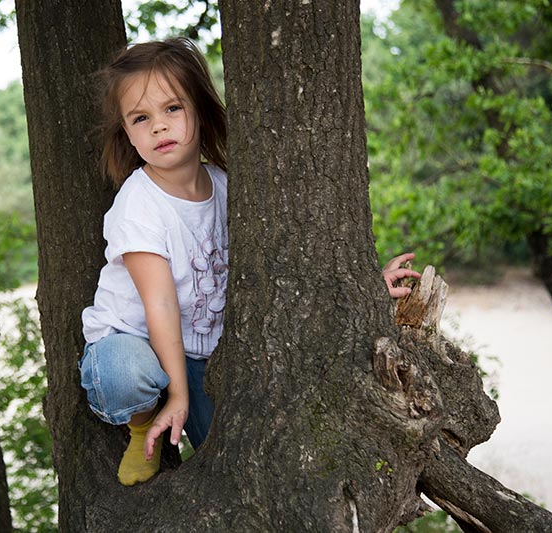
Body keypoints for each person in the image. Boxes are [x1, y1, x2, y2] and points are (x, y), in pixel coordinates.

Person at [80, 38, 420, 486]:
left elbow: (284, 272)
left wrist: (362, 287)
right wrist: (176, 395)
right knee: (129, 372)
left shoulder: (228, 187)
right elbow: (159, 304)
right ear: (126, 131)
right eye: (141, 118)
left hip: (203, 353)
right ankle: (143, 423)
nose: (159, 127)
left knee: (241, 457)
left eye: (172, 109)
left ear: (199, 109)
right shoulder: (138, 204)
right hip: (132, 342)